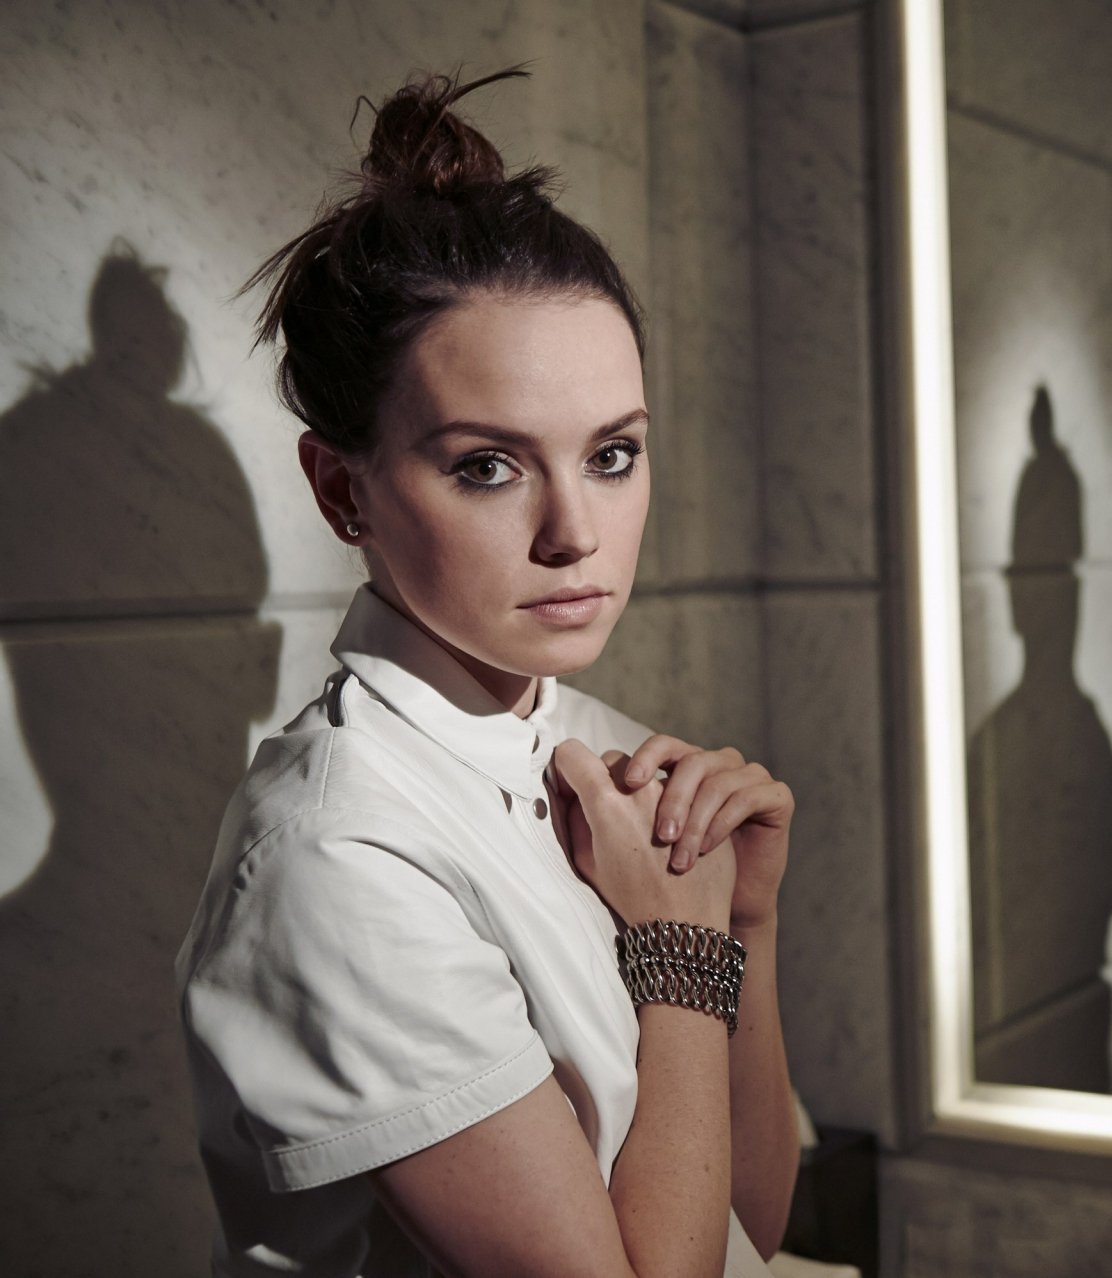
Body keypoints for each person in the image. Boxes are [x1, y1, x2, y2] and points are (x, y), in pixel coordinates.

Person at [174, 70, 797, 1277]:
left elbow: (750, 1230)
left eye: (612, 455)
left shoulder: (598, 745)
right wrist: (681, 951)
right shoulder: (339, 857)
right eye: (487, 467)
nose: (576, 533)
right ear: (343, 489)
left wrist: (745, 926)